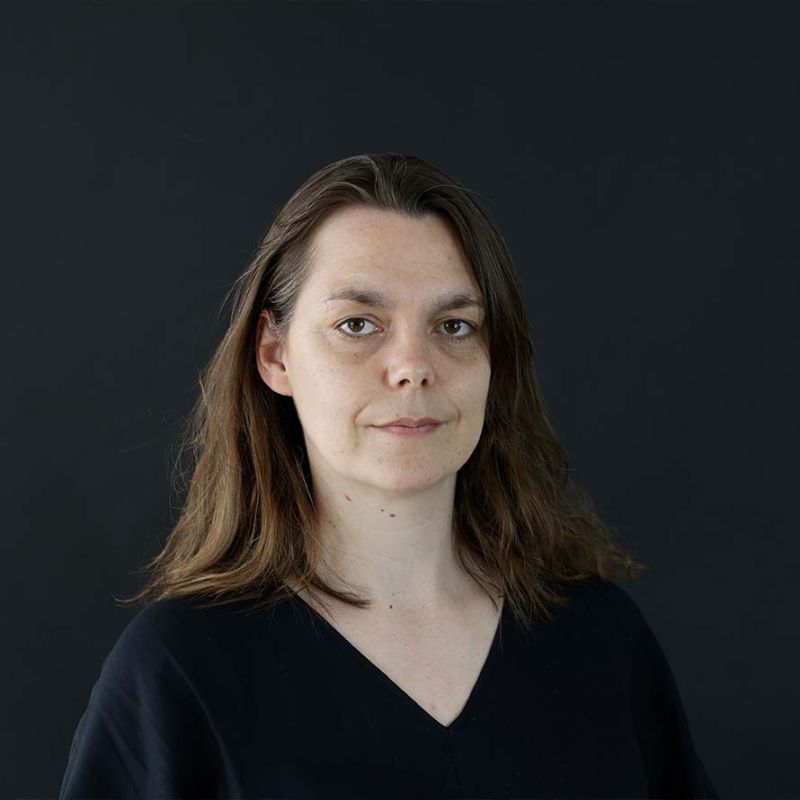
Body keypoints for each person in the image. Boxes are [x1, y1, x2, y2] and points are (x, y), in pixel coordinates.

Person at [58, 152, 720, 799]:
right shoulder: (179, 671)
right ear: (274, 354)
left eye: (453, 326)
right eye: (357, 324)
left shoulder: (601, 642)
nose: (413, 366)